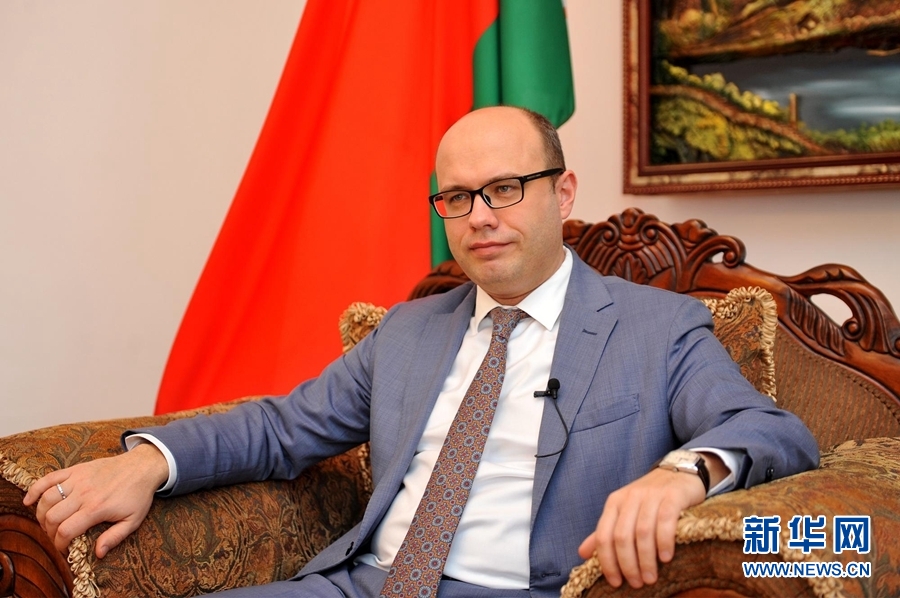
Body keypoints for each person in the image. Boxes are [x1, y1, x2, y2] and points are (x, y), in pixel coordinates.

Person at [25, 106, 819, 597]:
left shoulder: (658, 327)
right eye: (457, 197)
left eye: (505, 188)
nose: (480, 217)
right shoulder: (407, 332)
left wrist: (681, 474)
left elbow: (772, 431)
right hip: (360, 587)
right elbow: (280, 428)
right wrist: (150, 462)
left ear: (564, 192)